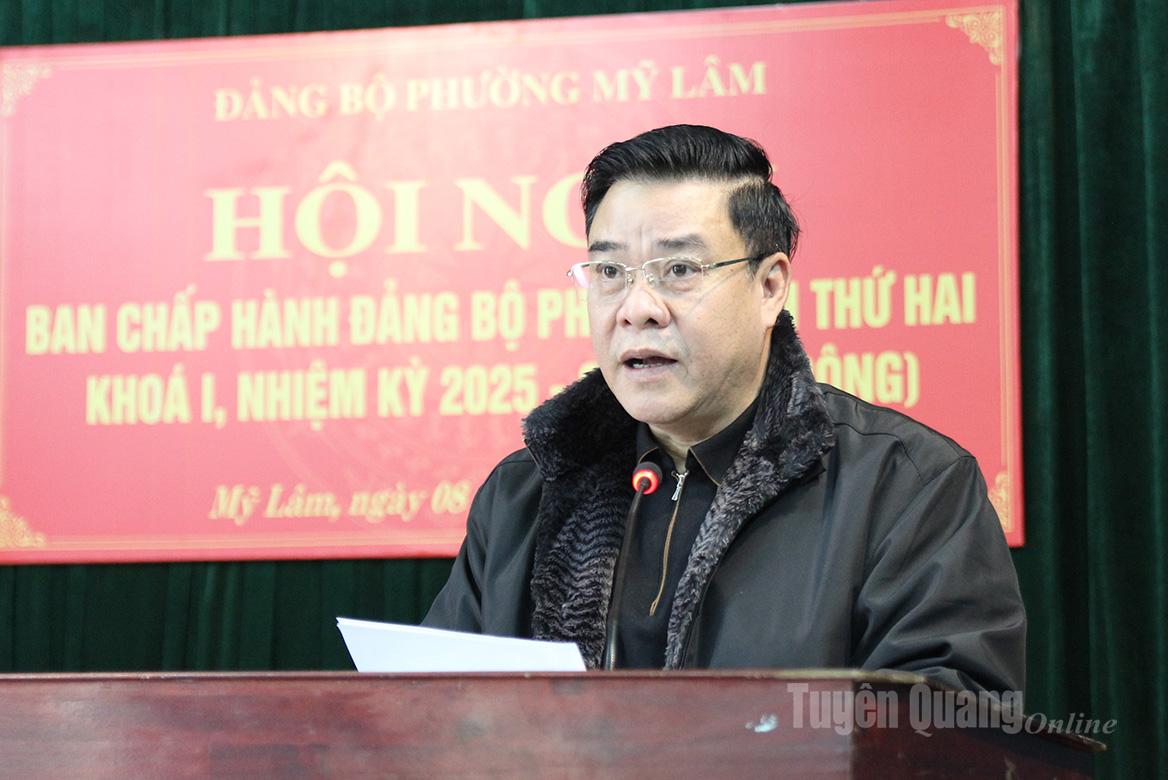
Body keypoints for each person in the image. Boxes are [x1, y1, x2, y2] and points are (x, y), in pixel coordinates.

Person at [422, 124, 1025, 694]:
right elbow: (433, 716)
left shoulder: (907, 487)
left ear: (770, 287)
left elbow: (944, 727)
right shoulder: (523, 496)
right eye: (609, 271)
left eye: (679, 270)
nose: (637, 308)